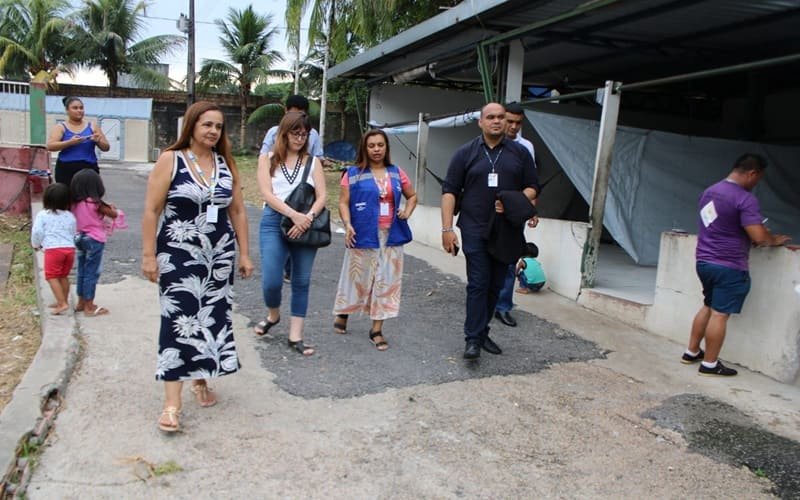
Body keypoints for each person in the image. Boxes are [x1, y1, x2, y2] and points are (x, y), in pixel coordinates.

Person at [141, 101, 254, 433]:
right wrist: (149, 256)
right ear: (191, 126)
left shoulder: (225, 164)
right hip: (178, 254)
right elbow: (151, 210)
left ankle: (201, 379)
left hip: (218, 256)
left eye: (218, 126)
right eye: (207, 125)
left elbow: (238, 212)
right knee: (179, 321)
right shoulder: (170, 160)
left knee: (211, 318)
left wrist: (244, 254)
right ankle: (172, 404)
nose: (213, 131)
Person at [441, 102, 539, 360]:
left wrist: (513, 201)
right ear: (481, 122)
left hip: (507, 231)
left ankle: (482, 332)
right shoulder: (465, 153)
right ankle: (472, 339)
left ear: (507, 122)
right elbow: (449, 191)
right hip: (474, 228)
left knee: (496, 285)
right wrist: (446, 229)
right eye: (491, 117)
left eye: (501, 118)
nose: (497, 121)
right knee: (478, 283)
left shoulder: (520, 153)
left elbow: (532, 188)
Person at [683, 153, 790, 376]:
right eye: (758, 179)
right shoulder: (744, 198)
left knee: (708, 306)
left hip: (704, 261)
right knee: (720, 314)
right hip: (729, 265)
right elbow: (758, 236)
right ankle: (710, 364)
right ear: (752, 173)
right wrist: (773, 239)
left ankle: (691, 351)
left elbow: (721, 224)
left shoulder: (709, 192)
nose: (756, 184)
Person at [332, 129, 417, 350]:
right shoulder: (352, 173)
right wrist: (348, 224)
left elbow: (412, 195)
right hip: (362, 233)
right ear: (365, 148)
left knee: (387, 281)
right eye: (372, 146)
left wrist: (407, 211)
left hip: (392, 236)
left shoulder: (397, 173)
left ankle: (376, 329)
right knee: (357, 277)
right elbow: (343, 202)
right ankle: (344, 311)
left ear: (386, 147)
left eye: (380, 145)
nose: (376, 149)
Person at [254, 112, 326, 357]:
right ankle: (273, 315)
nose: (299, 138)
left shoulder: (313, 162)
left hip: (306, 222)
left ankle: (296, 336)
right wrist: (293, 214)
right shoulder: (267, 158)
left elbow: (323, 196)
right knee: (272, 279)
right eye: (295, 133)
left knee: (301, 281)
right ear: (283, 133)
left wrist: (307, 218)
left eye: (304, 134)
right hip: (275, 220)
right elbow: (267, 194)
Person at [260, 94, 326, 284]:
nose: (299, 137)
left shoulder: (312, 134)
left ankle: (290, 270)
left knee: (298, 233)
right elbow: (265, 154)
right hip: (278, 196)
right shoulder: (274, 132)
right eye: (293, 112)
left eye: (301, 113)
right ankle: (282, 269)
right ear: (286, 111)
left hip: (303, 195)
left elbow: (317, 157)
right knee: (279, 237)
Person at [494, 101, 538, 327]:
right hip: (490, 212)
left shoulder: (526, 148)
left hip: (514, 213)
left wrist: (531, 209)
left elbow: (532, 181)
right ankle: (485, 301)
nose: (512, 127)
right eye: (509, 121)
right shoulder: (490, 144)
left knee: (510, 259)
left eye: (517, 123)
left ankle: (503, 306)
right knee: (486, 256)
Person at [70, 169, 118, 317]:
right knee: (92, 272)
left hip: (79, 238)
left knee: (82, 270)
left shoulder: (73, 203)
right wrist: (112, 209)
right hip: (94, 240)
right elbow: (114, 215)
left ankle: (81, 302)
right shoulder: (96, 204)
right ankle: (90, 307)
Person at [31, 183, 76, 315]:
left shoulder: (43, 215)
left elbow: (37, 232)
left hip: (53, 250)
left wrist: (36, 244)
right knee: (63, 276)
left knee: (51, 276)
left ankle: (62, 303)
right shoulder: (70, 216)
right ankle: (63, 300)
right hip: (69, 249)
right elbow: (73, 232)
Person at [46, 96, 110, 186]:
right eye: (75, 108)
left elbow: (106, 147)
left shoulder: (92, 126)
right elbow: (50, 146)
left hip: (89, 170)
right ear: (67, 110)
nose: (79, 110)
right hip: (66, 169)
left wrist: (98, 141)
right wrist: (70, 142)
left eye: (81, 108)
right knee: (66, 197)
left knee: (88, 197)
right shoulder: (60, 127)